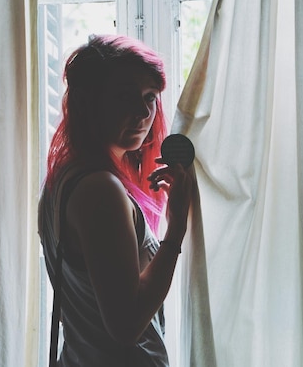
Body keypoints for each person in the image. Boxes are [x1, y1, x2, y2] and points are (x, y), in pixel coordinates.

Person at [38, 34, 193, 366]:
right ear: (91, 102)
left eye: (150, 96)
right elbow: (125, 326)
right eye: (124, 96)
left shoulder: (64, 178)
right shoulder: (100, 189)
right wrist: (176, 227)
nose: (142, 111)